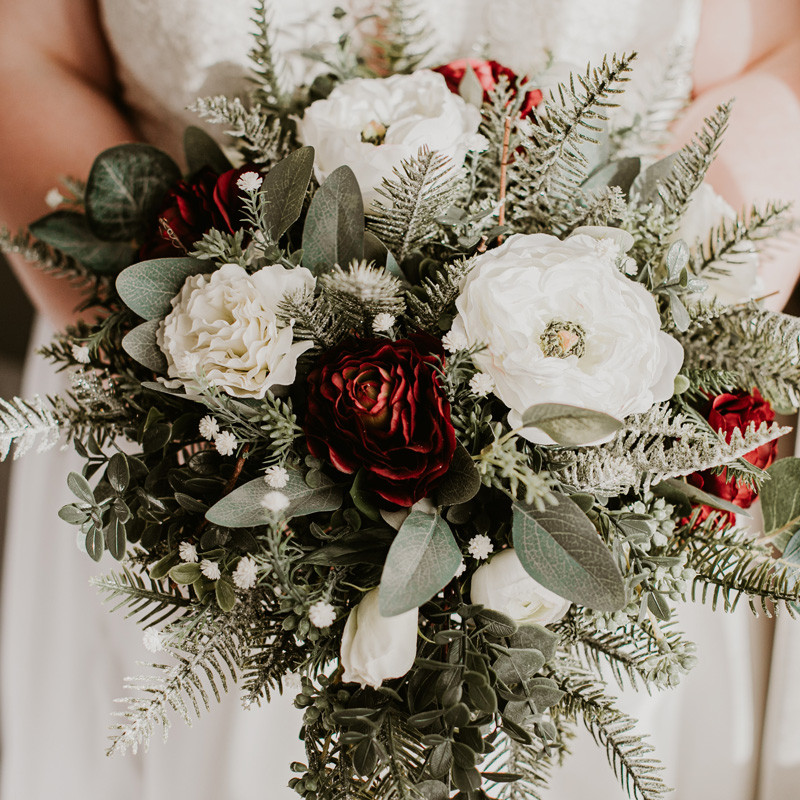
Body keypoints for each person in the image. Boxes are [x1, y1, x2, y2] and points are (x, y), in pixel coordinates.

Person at [1, 1, 799, 798]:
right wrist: (200, 360)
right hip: (196, 461)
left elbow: (779, 60)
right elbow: (24, 53)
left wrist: (642, 350)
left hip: (599, 482)